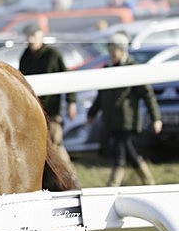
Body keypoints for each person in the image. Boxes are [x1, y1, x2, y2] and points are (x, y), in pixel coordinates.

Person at [87, 33, 162, 186]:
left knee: (119, 149)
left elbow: (148, 95)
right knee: (129, 150)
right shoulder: (107, 68)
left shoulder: (133, 68)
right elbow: (101, 95)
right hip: (111, 119)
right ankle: (148, 181)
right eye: (110, 48)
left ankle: (113, 184)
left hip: (127, 119)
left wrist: (156, 118)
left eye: (114, 49)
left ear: (122, 50)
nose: (112, 52)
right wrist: (92, 113)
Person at [18, 23, 76, 164]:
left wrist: (71, 102)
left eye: (33, 36)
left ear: (40, 36)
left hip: (52, 111)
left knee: (55, 144)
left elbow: (66, 79)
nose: (31, 40)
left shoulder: (53, 55)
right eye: (28, 36)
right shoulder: (25, 57)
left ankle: (70, 181)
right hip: (33, 110)